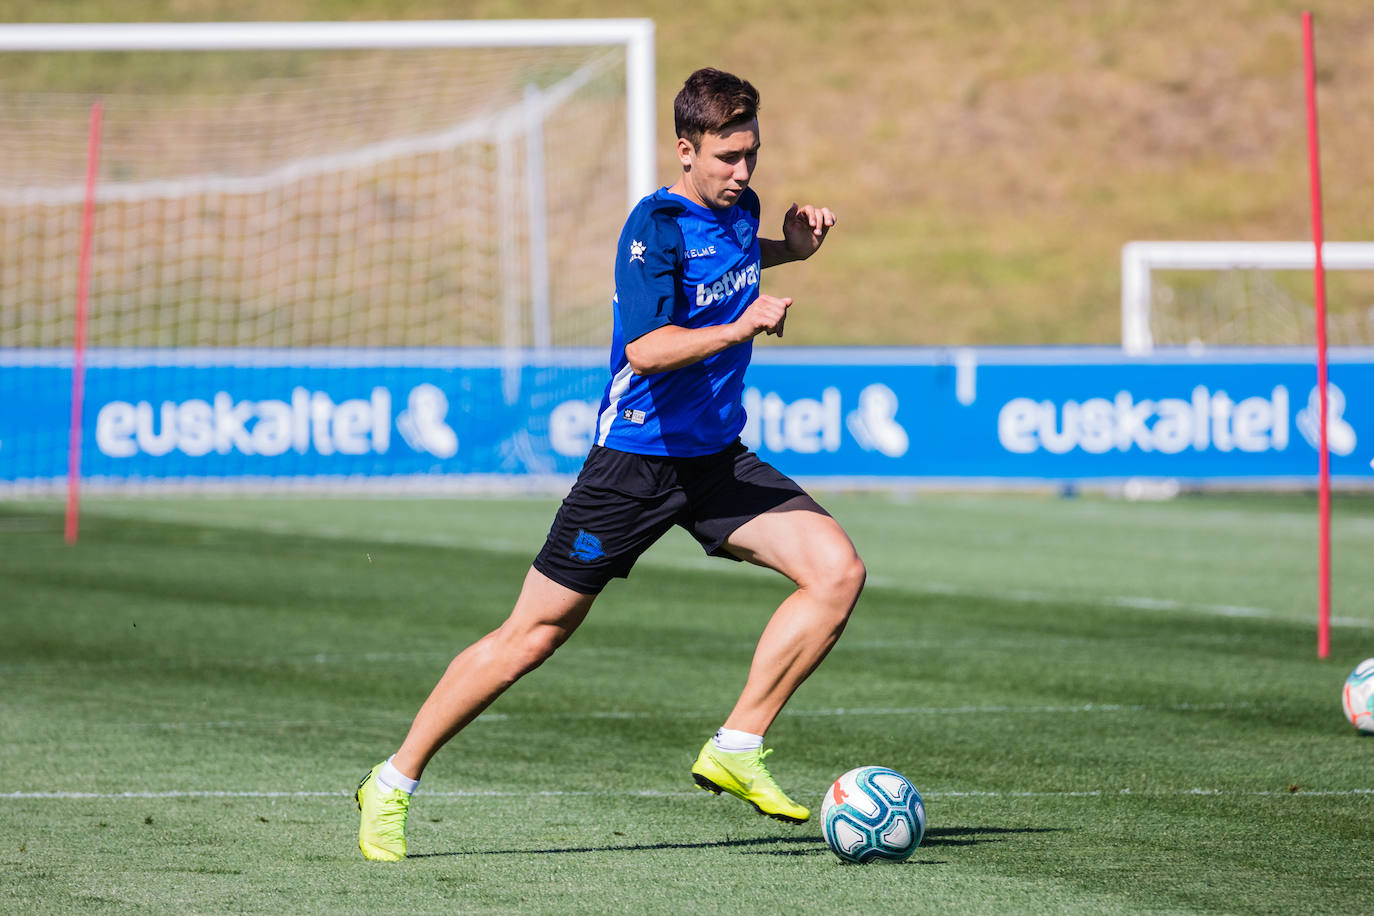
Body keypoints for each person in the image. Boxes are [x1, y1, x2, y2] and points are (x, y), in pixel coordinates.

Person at [355, 67, 864, 862]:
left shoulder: (744, 209)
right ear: (685, 149)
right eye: (728, 158)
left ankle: (736, 743)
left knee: (837, 571)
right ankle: (392, 781)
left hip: (714, 460)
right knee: (533, 635)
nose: (744, 172)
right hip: (634, 462)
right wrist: (741, 328)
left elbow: (727, 269)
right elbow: (648, 348)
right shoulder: (652, 226)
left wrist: (789, 251)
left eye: (753, 155)